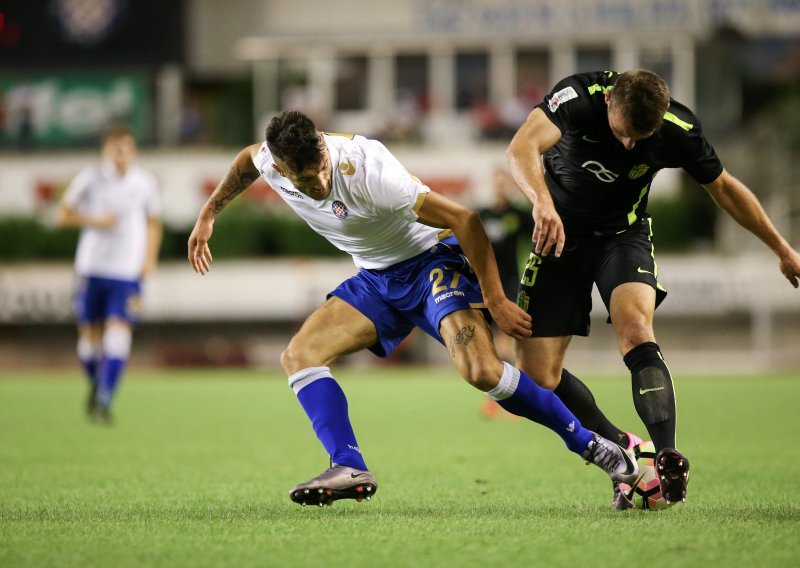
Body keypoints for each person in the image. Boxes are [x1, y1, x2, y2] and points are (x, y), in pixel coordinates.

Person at [188, 110, 639, 507]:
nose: (320, 185)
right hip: (376, 279)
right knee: (299, 357)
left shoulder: (369, 172)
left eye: (321, 170)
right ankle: (348, 465)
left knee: (481, 371)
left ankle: (593, 446)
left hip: (430, 266)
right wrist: (209, 214)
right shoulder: (271, 160)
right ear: (283, 169)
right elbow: (246, 161)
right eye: (306, 182)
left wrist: (497, 299)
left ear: (324, 148)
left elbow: (465, 220)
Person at [505, 69, 800, 508]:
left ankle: (666, 454)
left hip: (623, 238)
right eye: (623, 134)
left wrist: (782, 248)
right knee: (538, 377)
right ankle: (625, 447)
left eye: (640, 138)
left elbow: (725, 189)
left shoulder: (676, 129)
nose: (629, 146)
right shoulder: (578, 97)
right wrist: (542, 203)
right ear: (609, 104)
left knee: (636, 329)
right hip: (558, 236)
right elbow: (521, 147)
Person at [57, 124, 162, 424]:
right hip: (91, 268)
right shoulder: (90, 179)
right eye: (117, 149)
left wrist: (149, 258)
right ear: (107, 150)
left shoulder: (144, 183)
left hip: (127, 271)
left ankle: (105, 397)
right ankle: (95, 383)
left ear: (133, 151)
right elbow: (62, 215)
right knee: (89, 338)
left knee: (119, 332)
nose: (122, 155)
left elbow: (154, 221)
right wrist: (95, 220)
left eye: (127, 149)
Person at [477, 167, 532, 419]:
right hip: (483, 286)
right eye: (496, 182)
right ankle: (502, 399)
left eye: (504, 183)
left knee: (505, 342)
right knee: (488, 345)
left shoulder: (519, 215)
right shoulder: (482, 215)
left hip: (510, 284)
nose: (500, 187)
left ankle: (512, 400)